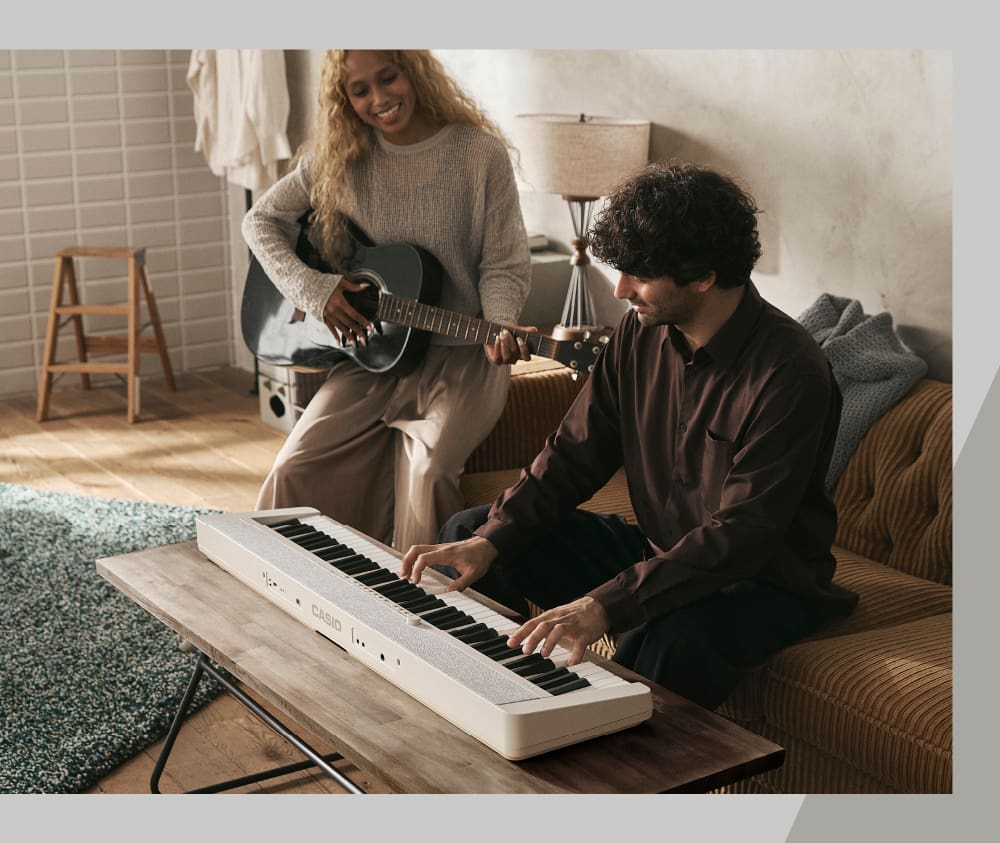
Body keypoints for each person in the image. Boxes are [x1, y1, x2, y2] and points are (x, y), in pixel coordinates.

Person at [401, 162, 859, 710]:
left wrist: (604, 605)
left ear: (703, 275)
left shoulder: (790, 373)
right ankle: (497, 706)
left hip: (759, 581)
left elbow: (742, 534)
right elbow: (573, 453)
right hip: (658, 550)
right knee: (472, 534)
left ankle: (583, 751)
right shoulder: (639, 334)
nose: (621, 290)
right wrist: (492, 537)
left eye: (639, 275)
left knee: (664, 637)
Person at [244, 50, 533, 550]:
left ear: (413, 70)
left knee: (427, 474)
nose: (379, 99)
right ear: (344, 99)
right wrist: (315, 290)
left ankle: (418, 597)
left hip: (463, 358)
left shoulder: (479, 153)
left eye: (388, 78)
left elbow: (503, 263)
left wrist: (502, 321)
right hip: (374, 355)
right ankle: (291, 585)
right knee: (293, 468)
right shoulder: (339, 158)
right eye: (360, 90)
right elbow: (260, 221)